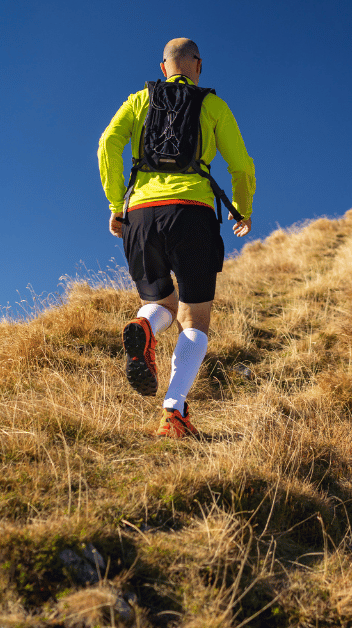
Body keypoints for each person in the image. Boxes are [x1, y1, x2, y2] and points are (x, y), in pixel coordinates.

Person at [98, 38, 255, 438]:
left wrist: (117, 204)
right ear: (198, 65)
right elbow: (241, 164)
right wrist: (242, 208)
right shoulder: (213, 105)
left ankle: (146, 326)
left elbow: (108, 144)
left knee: (160, 303)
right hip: (193, 213)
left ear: (163, 67)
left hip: (141, 214)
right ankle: (173, 412)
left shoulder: (139, 100)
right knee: (195, 318)